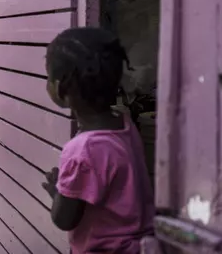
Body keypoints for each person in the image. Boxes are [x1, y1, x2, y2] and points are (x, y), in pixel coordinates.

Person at [41, 27, 154, 253]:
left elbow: (64, 219)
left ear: (61, 88)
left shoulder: (82, 150)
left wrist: (57, 192)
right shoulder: (124, 124)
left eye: (48, 76)